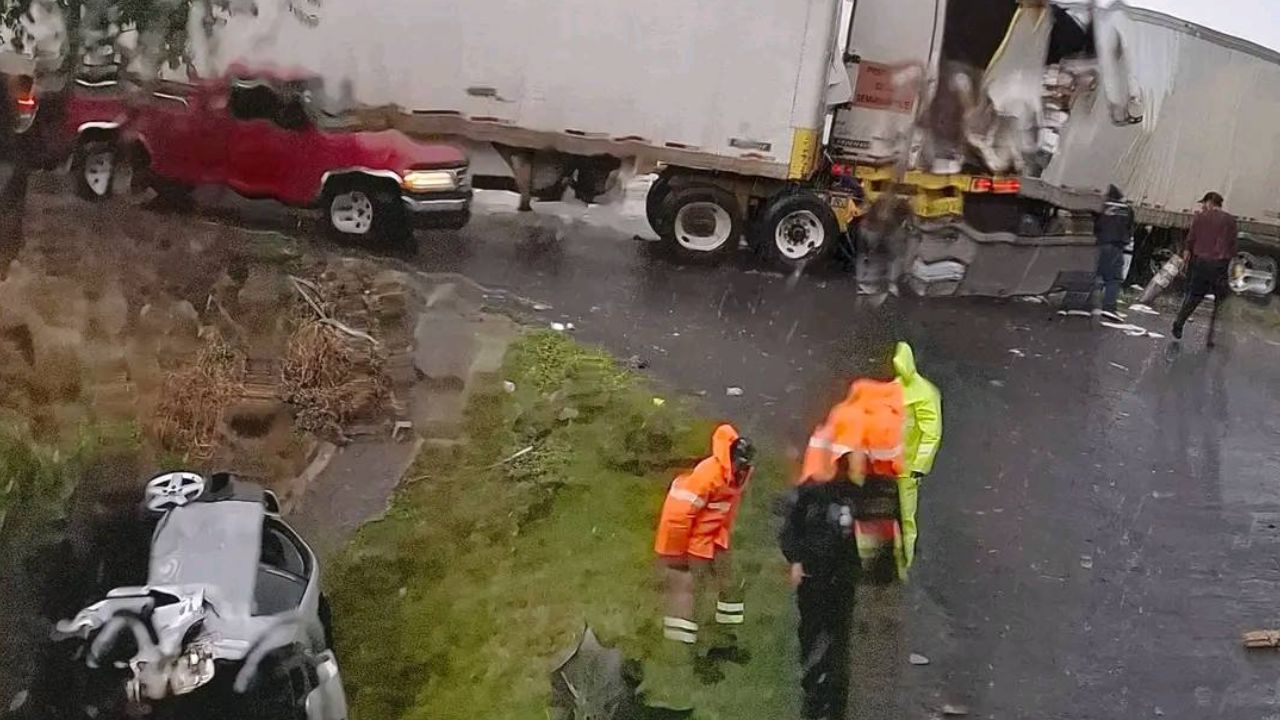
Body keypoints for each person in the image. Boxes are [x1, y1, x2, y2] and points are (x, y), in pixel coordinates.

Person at [653, 423, 756, 645]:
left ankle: (726, 635)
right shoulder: (708, 476)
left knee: (729, 583)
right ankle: (683, 642)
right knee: (692, 588)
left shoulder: (738, 474)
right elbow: (680, 515)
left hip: (714, 537)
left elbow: (729, 508)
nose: (741, 469)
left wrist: (722, 538)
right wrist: (676, 553)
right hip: (696, 543)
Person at [781, 453, 866, 720]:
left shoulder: (855, 496)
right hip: (815, 576)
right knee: (813, 633)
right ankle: (814, 695)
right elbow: (791, 528)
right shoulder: (813, 495)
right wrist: (796, 560)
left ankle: (834, 700)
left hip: (841, 579)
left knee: (838, 640)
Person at [892, 341, 942, 574]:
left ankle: (904, 563)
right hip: (889, 466)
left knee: (905, 518)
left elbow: (931, 434)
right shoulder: (895, 390)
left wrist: (919, 466)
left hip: (906, 468)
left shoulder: (924, 394)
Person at [1173, 192, 1238, 346]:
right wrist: (1231, 261)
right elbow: (1233, 244)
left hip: (1201, 263)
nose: (1203, 206)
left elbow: (1191, 239)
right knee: (1219, 301)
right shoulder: (1230, 220)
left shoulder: (1200, 217)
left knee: (1194, 296)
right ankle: (1211, 337)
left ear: (1210, 202)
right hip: (1220, 264)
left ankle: (1179, 323)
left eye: (1204, 203)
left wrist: (1186, 256)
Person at [1094, 184, 1136, 317]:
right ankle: (1109, 307)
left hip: (1100, 244)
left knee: (1095, 275)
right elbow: (1130, 228)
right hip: (1116, 247)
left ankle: (1085, 304)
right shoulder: (1127, 209)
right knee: (1114, 279)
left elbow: (1096, 225)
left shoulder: (1101, 206)